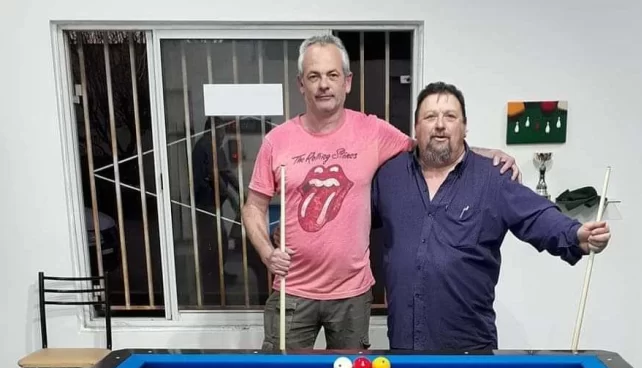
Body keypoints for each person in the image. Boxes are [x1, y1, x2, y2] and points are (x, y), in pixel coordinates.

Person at [242, 34, 521, 351]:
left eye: (332, 75)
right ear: (301, 84)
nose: (324, 85)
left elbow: (427, 147)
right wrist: (267, 253)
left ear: (347, 82)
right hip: (292, 289)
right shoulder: (277, 141)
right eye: (314, 76)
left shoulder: (372, 131)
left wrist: (482, 153)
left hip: (351, 294)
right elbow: (253, 207)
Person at [371, 81, 612, 350]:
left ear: (464, 127)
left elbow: (535, 214)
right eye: (430, 117)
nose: (440, 125)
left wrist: (574, 234)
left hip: (470, 350)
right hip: (404, 346)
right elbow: (355, 219)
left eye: (450, 116)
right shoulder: (389, 177)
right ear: (416, 127)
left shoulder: (493, 178)